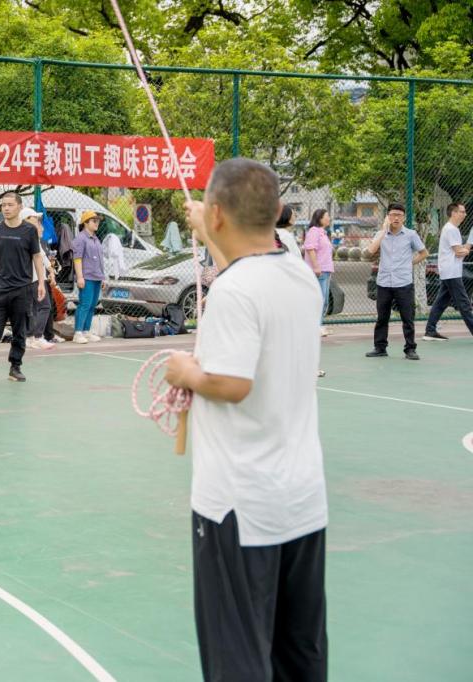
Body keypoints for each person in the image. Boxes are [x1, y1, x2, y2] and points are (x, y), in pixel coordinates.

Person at [165, 158, 328, 682]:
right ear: (278, 211)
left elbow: (232, 383)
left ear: (217, 214)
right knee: (298, 654)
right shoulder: (299, 275)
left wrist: (185, 372)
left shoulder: (233, 293)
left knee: (237, 659)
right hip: (302, 501)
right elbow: (246, 269)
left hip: (238, 506)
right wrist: (211, 230)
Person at [0, 191, 46, 383]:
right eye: (3, 205)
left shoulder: (29, 231)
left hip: (23, 290)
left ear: (19, 207)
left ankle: (15, 367)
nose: (6, 208)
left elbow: (37, 257)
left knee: (20, 331)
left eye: (10, 205)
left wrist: (41, 283)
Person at [364, 203, 429, 360]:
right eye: (393, 214)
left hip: (403, 283)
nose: (396, 218)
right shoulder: (380, 234)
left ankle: (410, 349)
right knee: (382, 318)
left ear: (404, 217)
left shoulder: (411, 235)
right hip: (384, 282)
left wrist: (409, 263)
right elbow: (370, 251)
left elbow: (424, 253)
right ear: (387, 217)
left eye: (399, 215)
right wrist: (383, 231)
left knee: (408, 318)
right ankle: (380, 348)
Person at [424, 203, 473, 340]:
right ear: (454, 213)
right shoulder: (451, 229)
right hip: (451, 272)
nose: (465, 214)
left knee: (441, 303)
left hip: (449, 271)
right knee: (464, 304)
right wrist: (467, 250)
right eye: (462, 212)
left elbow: (460, 250)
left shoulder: (452, 229)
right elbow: (459, 252)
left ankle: (430, 331)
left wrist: (469, 243)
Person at [21, 207, 56, 350]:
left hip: (35, 279)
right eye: (34, 218)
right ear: (26, 220)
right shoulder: (28, 236)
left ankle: (30, 338)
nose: (38, 221)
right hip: (33, 279)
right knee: (44, 306)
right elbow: (39, 257)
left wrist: (51, 270)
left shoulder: (31, 236)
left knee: (34, 309)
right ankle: (37, 337)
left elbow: (42, 256)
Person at [71, 210, 105, 345]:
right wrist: (80, 277)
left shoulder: (96, 239)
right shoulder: (80, 238)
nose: (97, 223)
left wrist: (103, 277)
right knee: (85, 304)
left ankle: (86, 331)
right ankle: (78, 333)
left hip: (97, 277)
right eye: (94, 221)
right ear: (85, 223)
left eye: (98, 221)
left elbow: (100, 260)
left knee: (92, 304)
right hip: (87, 277)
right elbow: (77, 258)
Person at [304, 209, 335, 337]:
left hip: (325, 271)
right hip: (318, 272)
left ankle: (318, 325)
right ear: (320, 218)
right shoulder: (314, 231)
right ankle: (315, 327)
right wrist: (316, 267)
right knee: (319, 300)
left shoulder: (323, 232)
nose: (329, 218)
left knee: (324, 301)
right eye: (327, 216)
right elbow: (310, 248)